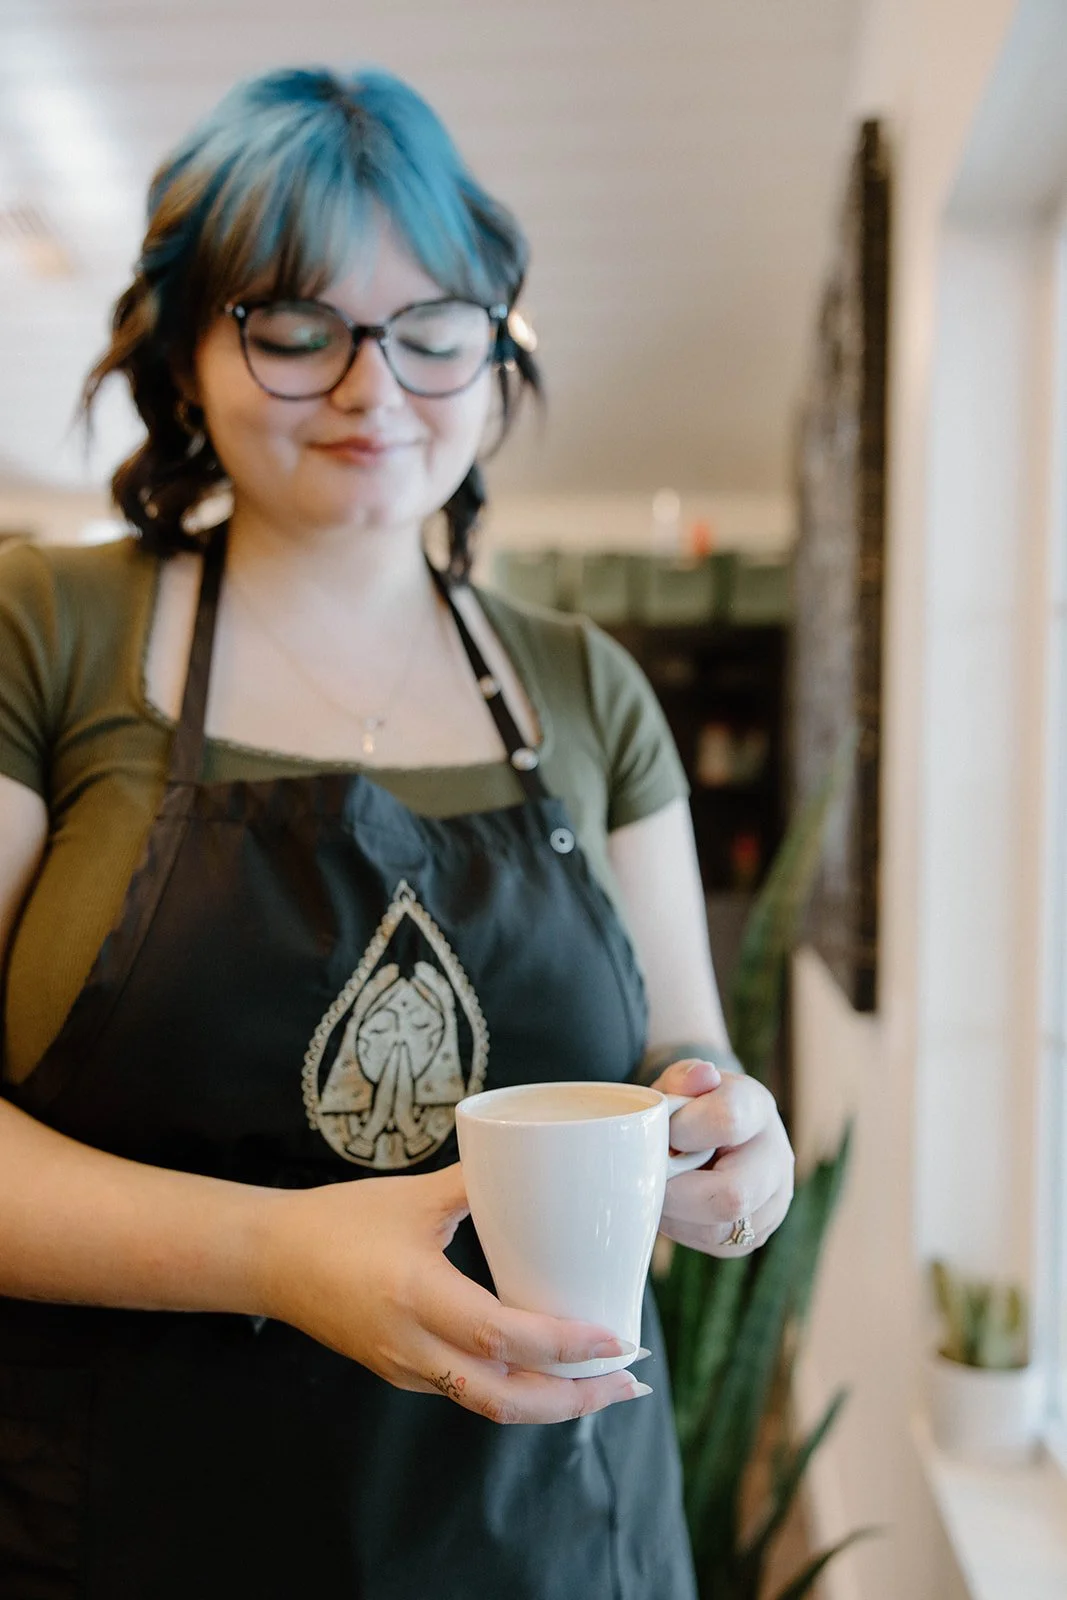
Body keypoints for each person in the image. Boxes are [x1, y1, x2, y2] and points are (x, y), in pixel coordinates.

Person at [0, 66, 795, 1599]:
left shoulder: (587, 690)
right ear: (184, 356)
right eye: (296, 327)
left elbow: (679, 1060)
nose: (376, 392)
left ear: (493, 354)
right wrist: (274, 1258)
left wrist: (722, 1139)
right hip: (127, 1536)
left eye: (434, 328)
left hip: (555, 1541)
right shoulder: (45, 632)